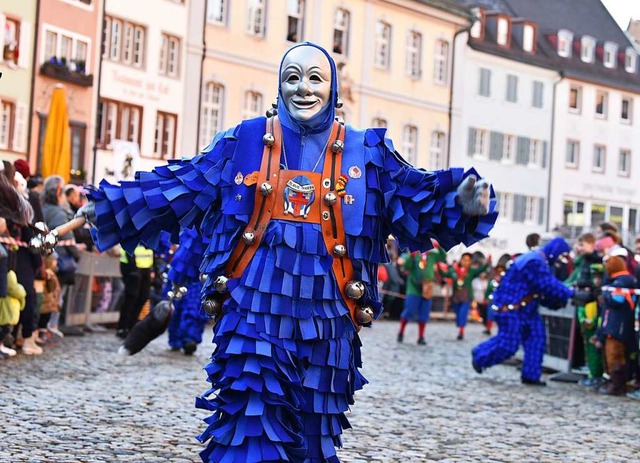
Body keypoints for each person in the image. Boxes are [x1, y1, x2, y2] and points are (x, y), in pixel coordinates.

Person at [81, 42, 496, 462]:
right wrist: (110, 204)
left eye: (315, 78)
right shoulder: (240, 142)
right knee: (249, 425)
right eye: (292, 77)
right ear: (279, 85)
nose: (303, 88)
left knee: (313, 437)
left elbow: (413, 196)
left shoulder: (368, 153)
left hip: (330, 323)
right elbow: (183, 185)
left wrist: (460, 202)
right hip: (253, 316)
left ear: (332, 88)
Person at [471, 238, 576, 386]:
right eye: (562, 255)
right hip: (511, 308)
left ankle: (531, 375)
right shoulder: (534, 261)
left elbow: (543, 289)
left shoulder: (537, 259)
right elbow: (547, 285)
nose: (562, 260)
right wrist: (571, 293)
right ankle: (480, 356)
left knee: (536, 340)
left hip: (527, 309)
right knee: (509, 344)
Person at [593, 256, 637, 396]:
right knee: (610, 355)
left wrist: (605, 295)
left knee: (615, 355)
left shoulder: (623, 281)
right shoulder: (618, 281)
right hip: (612, 324)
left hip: (619, 326)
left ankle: (617, 385)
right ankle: (613, 382)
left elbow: (618, 300)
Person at [564, 233, 604, 387]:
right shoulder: (582, 261)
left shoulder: (596, 259)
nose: (579, 248)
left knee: (592, 339)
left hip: (591, 303)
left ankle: (595, 373)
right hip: (582, 302)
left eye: (582, 245)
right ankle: (591, 371)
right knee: (586, 340)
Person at [397, 240, 447, 345]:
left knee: (424, 313)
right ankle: (401, 332)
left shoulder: (432, 256)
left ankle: (421, 336)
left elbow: (443, 258)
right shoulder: (414, 255)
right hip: (413, 287)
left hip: (427, 288)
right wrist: (411, 256)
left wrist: (439, 246)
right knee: (409, 310)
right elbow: (406, 267)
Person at [441, 252, 489, 340]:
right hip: (456, 296)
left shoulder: (471, 271)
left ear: (470, 262)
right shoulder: (454, 270)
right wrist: (438, 268)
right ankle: (460, 325)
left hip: (467, 296)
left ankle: (461, 332)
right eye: (464, 260)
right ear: (461, 260)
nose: (466, 262)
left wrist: (488, 261)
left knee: (463, 313)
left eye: (468, 260)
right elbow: (445, 274)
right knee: (458, 313)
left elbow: (481, 269)